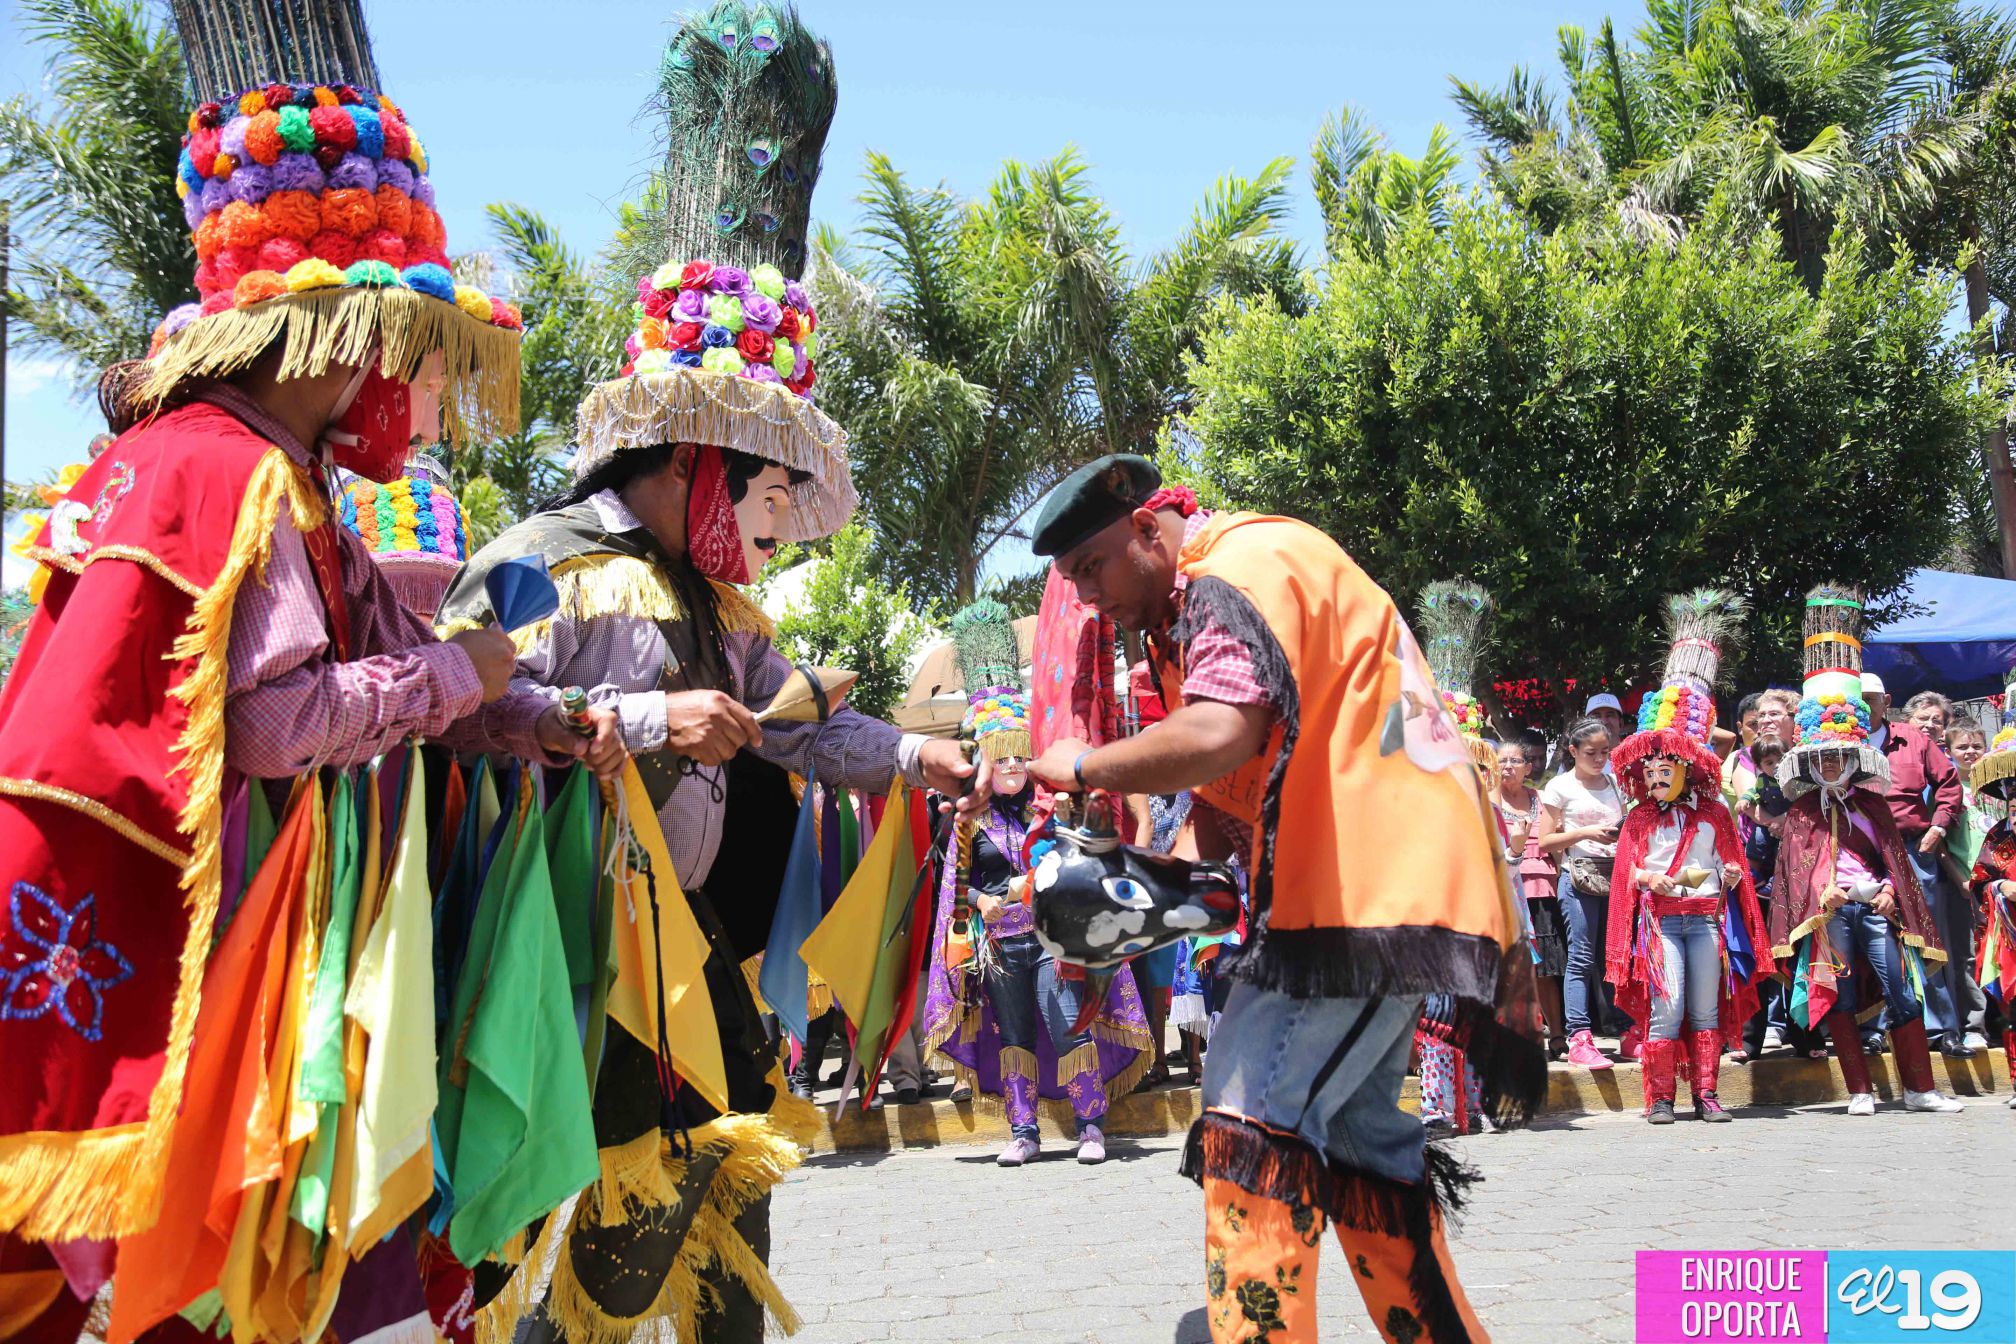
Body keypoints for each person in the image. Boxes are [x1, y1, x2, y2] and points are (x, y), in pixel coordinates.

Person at [0, 65, 623, 1333]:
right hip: (216, 928)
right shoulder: (236, 476)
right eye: (411, 350)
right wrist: (465, 673)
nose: (421, 387)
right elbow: (282, 724)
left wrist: (532, 718)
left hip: (256, 909)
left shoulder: (267, 471)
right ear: (342, 339)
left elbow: (407, 668)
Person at [434, 17, 985, 1334]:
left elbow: (796, 734)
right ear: (688, 455)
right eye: (754, 475)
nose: (771, 506)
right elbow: (447, 709)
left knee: (735, 1226)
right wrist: (631, 715)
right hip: (566, 965)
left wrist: (919, 756)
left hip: (712, 961)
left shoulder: (728, 603)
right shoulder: (531, 561)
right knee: (587, 1259)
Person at [1025, 454, 1542, 1344]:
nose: (1088, 595)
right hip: (1369, 886)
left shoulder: (1232, 571)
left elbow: (1226, 731)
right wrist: (1159, 883)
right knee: (1365, 1146)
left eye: (1094, 568)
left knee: (1247, 1126)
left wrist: (1085, 765)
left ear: (1149, 529)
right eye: (1073, 580)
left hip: (1358, 892)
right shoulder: (1208, 588)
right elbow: (1236, 795)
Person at [921, 601, 1151, 1166]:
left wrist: (1029, 883)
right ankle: (1023, 1133)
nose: (1015, 769)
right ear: (985, 765)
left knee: (1065, 1021)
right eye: (1004, 761)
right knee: (1015, 1034)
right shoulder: (967, 820)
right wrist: (984, 902)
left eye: (1022, 757)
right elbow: (954, 885)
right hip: (999, 945)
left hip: (1050, 940)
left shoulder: (1050, 810)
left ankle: (1091, 1126)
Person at [1769, 587, 1964, 1117]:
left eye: (1840, 757)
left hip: (1876, 906)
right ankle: (1858, 1090)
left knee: (1902, 992)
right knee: (1842, 997)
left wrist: (1889, 894)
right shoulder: (1804, 811)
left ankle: (1920, 1088)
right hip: (1829, 913)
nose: (1831, 765)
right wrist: (1821, 896)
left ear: (1854, 758)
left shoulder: (1875, 803)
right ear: (1812, 761)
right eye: (1823, 758)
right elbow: (1796, 871)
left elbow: (1894, 861)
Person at [1603, 591, 1774, 1123]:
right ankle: (1658, 1099)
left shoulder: (1716, 814)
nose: (1657, 775)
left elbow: (1735, 868)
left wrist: (1727, 874)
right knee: (1668, 1007)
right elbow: (1626, 873)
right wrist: (1647, 877)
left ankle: (1706, 1094)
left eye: (1667, 766)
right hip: (1661, 923)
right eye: (1650, 768)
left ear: (1687, 769)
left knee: (1703, 1009)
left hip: (1704, 921)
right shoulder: (1637, 818)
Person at [1862, 673, 1978, 1057]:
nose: (1865, 705)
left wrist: (1939, 827)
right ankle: (1875, 1030)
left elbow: (1949, 785)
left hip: (1912, 847)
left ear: (1886, 700)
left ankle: (1945, 1030)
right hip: (1863, 853)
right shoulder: (1842, 740)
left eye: (1872, 698)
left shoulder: (1913, 739)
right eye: (1858, 698)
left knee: (1925, 937)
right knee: (1873, 938)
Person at [1536, 718, 1627, 1068]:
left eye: (1605, 752)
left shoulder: (1618, 784)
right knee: (1582, 957)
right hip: (1579, 878)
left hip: (1617, 876)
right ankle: (1578, 1036)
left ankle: (1625, 1028)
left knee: (1615, 956)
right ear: (1573, 751)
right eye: (1591, 753)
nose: (1600, 759)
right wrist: (1586, 832)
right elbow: (1545, 841)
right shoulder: (1559, 787)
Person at [1963, 674, 2016, 1106]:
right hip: (2010, 935)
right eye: (2010, 794)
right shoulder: (1999, 836)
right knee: (2013, 1011)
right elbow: (1979, 880)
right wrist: (2000, 886)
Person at [1498, 740, 1565, 1057]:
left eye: (1514, 760)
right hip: (1505, 892)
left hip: (1542, 890)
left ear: (1528, 767)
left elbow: (1555, 845)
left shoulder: (1541, 799)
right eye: (1501, 760)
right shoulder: (1488, 802)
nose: (1507, 766)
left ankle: (1558, 1036)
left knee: (1548, 970)